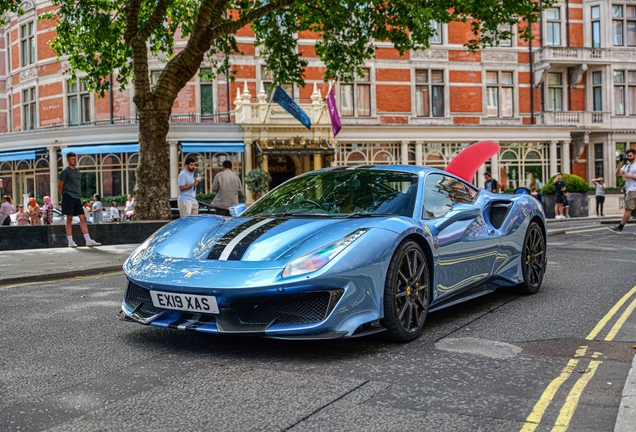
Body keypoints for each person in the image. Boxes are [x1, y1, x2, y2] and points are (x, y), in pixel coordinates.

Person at [58, 152, 101, 247]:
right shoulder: (65, 172)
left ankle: (88, 240)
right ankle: (70, 241)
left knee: (83, 218)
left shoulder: (77, 170)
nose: (74, 160)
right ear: (68, 160)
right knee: (69, 219)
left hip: (77, 197)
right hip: (68, 196)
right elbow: (60, 185)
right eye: (72, 159)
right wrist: (64, 195)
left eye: (75, 159)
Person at [609, 149, 636, 234]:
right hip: (629, 189)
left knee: (628, 210)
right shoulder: (627, 165)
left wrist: (630, 176)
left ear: (635, 155)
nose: (629, 157)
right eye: (627, 156)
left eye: (630, 156)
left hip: (633, 190)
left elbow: (629, 176)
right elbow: (617, 174)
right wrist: (620, 162)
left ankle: (620, 227)